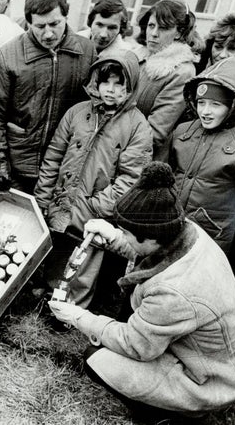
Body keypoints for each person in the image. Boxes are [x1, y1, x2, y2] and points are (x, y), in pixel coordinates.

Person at [49, 162, 235, 419]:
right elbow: (151, 253)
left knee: (94, 357)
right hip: (217, 359)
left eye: (126, 232)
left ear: (150, 236)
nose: (124, 235)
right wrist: (112, 235)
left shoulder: (172, 293)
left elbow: (136, 345)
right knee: (122, 321)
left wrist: (78, 317)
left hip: (208, 381)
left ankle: (169, 416)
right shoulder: (186, 231)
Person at [34, 51, 152, 308]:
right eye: (105, 82)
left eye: (119, 84)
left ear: (130, 87)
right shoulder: (77, 112)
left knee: (84, 264)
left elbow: (131, 178)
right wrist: (43, 197)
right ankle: (46, 300)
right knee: (56, 254)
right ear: (95, 82)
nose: (111, 90)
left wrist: (97, 206)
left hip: (95, 212)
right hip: (62, 202)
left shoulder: (137, 126)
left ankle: (72, 312)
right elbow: (54, 156)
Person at [0, 0, 96, 193]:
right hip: (17, 167)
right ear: (28, 22)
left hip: (63, 167)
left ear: (66, 16)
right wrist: (0, 157)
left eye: (55, 24)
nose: (48, 34)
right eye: (39, 26)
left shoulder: (87, 52)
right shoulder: (6, 57)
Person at [166, 56, 235, 292]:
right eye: (201, 102)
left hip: (212, 238)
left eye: (216, 104)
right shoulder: (183, 132)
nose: (206, 111)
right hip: (172, 227)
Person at [132, 0, 196, 158]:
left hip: (140, 157)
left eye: (164, 28)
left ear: (179, 32)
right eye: (151, 26)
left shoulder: (181, 71)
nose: (153, 33)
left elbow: (156, 132)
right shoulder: (134, 58)